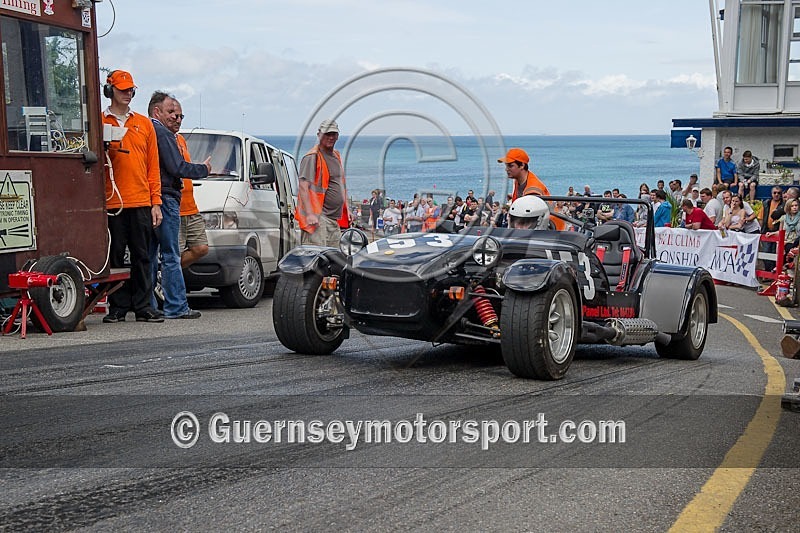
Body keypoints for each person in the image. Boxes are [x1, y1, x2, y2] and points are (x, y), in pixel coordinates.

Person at [102, 70, 163, 324]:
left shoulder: (144, 123)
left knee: (142, 255)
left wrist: (155, 202)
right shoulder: (101, 121)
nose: (128, 94)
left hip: (140, 200)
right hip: (112, 200)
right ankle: (117, 306)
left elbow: (153, 165)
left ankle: (142, 306)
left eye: (131, 90)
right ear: (110, 91)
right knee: (115, 255)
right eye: (123, 89)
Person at [147, 92, 210, 320]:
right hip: (166, 199)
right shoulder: (163, 134)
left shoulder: (150, 131)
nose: (177, 118)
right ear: (157, 112)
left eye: (181, 115)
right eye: (172, 112)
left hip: (153, 199)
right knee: (171, 255)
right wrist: (203, 169)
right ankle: (176, 306)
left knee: (152, 255)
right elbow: (177, 167)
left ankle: (150, 305)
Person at [296, 119, 349, 247]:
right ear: (319, 135)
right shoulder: (312, 157)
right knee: (317, 259)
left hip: (333, 219)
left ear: (337, 135)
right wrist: (309, 214)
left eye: (333, 134)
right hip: (318, 219)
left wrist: (347, 210)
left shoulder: (336, 156)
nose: (330, 137)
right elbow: (303, 187)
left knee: (334, 259)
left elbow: (339, 184)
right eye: (327, 134)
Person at [498, 147, 565, 230]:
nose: (506, 169)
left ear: (522, 165)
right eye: (506, 166)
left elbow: (529, 220)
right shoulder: (518, 180)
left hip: (550, 229)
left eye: (510, 166)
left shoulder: (533, 189)